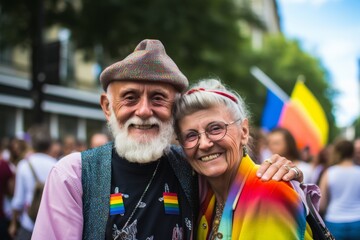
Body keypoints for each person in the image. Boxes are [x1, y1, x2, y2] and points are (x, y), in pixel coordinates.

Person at [32, 39, 303, 239]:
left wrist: (289, 176)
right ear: (107, 107)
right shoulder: (73, 176)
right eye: (130, 97)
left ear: (173, 110)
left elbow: (241, 185)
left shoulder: (193, 168)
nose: (144, 110)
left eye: (158, 98)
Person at [173, 79, 313, 239]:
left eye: (216, 128)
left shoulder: (269, 193)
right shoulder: (205, 195)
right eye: (190, 135)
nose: (204, 144)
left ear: (244, 132)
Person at [9, 125, 57, 239]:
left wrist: (13, 223)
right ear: (49, 145)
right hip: (49, 226)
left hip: (28, 223)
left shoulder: (24, 165)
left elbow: (18, 200)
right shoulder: (56, 164)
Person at [319, 139, 360, 240]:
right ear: (352, 152)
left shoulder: (329, 172)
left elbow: (321, 203)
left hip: (334, 220)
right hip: (357, 220)